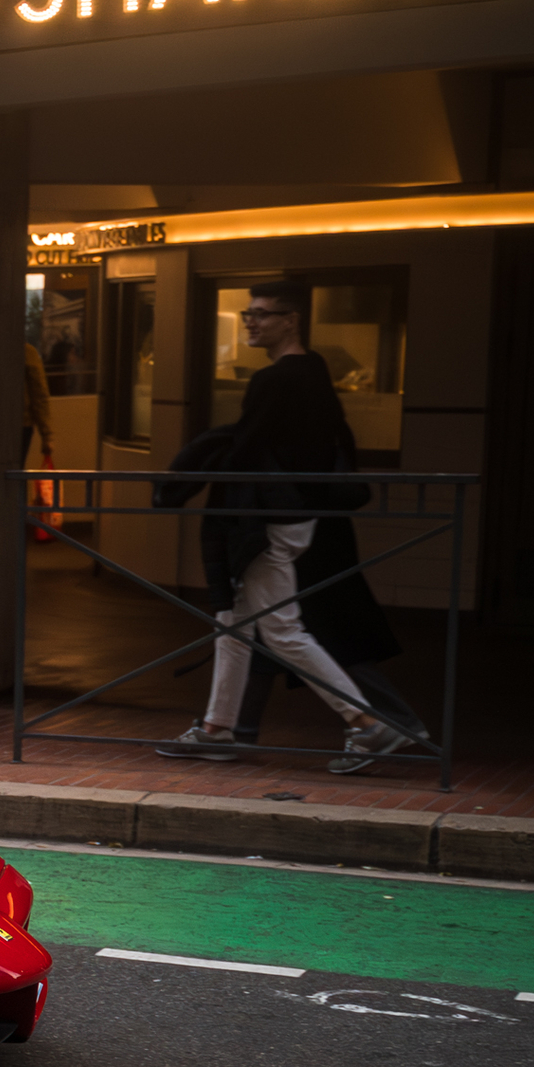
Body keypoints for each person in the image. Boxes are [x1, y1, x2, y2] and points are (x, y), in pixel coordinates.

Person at [158, 282, 409, 771]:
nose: (251, 322)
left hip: (267, 521)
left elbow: (247, 451)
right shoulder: (314, 371)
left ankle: (367, 725)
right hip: (295, 516)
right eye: (248, 313)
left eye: (262, 315)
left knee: (283, 631)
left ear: (291, 319)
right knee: (234, 625)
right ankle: (217, 729)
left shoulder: (275, 380)